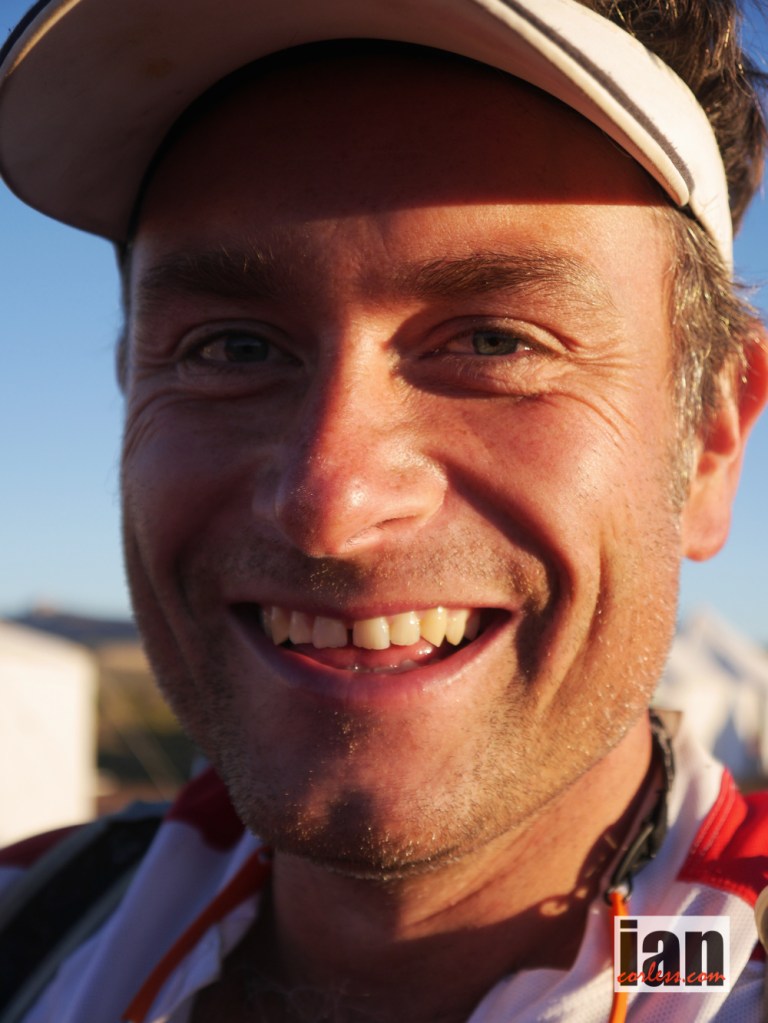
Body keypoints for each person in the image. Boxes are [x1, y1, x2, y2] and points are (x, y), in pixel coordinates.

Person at [1, 0, 767, 1020]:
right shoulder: (33, 919)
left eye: (494, 341)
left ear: (711, 442)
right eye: (232, 347)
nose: (328, 502)